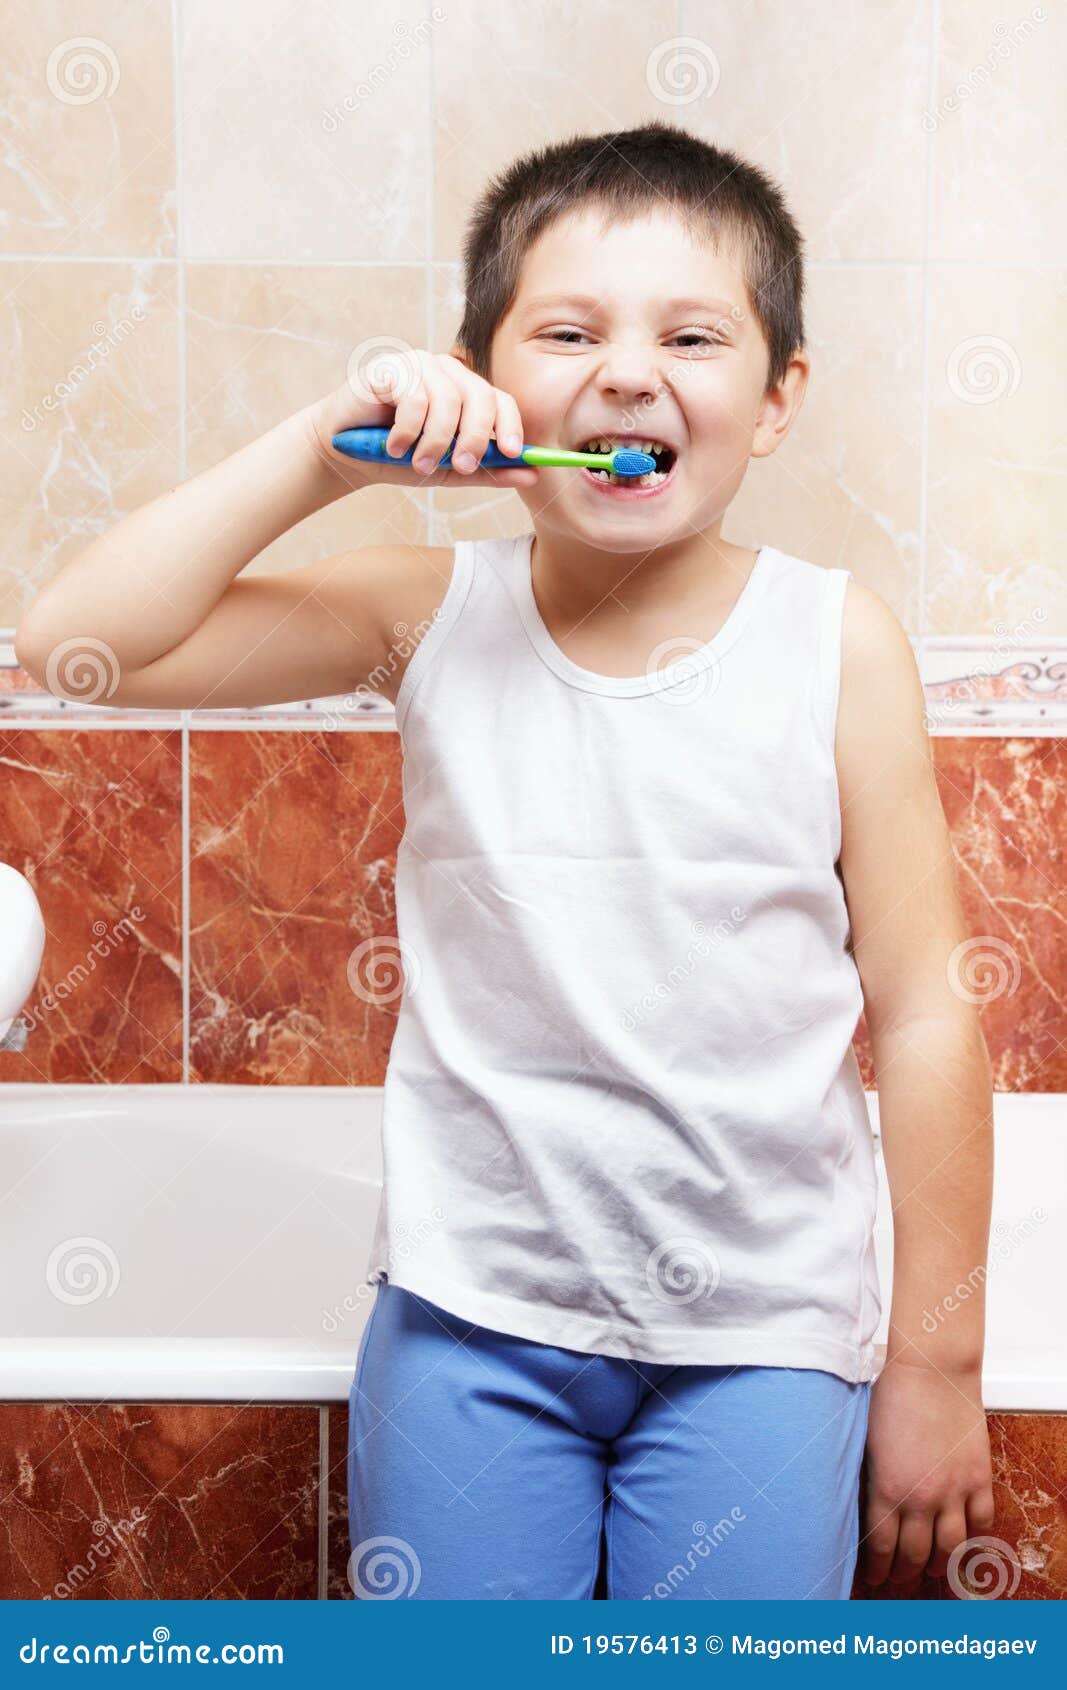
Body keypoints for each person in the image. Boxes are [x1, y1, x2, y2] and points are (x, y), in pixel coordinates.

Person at [15, 120, 996, 1602]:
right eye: (566, 330)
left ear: (779, 398)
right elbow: (79, 649)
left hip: (762, 1336)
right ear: (483, 374)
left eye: (690, 334)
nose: (623, 371)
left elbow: (925, 1012)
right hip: (469, 1319)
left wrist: (937, 1359)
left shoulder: (836, 645)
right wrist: (322, 459)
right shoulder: (425, 609)